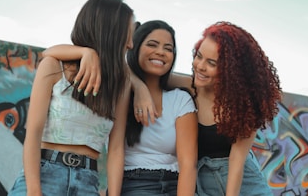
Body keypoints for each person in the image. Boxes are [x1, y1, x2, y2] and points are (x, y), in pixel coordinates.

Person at [57, 21, 281, 196]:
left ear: (230, 70)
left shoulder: (246, 105)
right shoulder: (191, 87)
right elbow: (133, 67)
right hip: (203, 185)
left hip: (242, 184)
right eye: (198, 57)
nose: (200, 67)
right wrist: (140, 88)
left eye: (211, 63)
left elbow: (237, 161)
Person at [42, 20, 198, 196]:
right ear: (134, 46)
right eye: (152, 44)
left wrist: (139, 86)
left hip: (172, 182)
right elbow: (48, 53)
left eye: (168, 48)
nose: (161, 52)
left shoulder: (180, 99)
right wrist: (137, 86)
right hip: (132, 183)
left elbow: (188, 165)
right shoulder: (117, 91)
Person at [8, 0, 135, 196]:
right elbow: (33, 132)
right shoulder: (53, 65)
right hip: (43, 176)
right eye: (128, 34)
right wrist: (34, 191)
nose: (130, 44)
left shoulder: (121, 82)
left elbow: (116, 149)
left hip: (87, 183)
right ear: (110, 32)